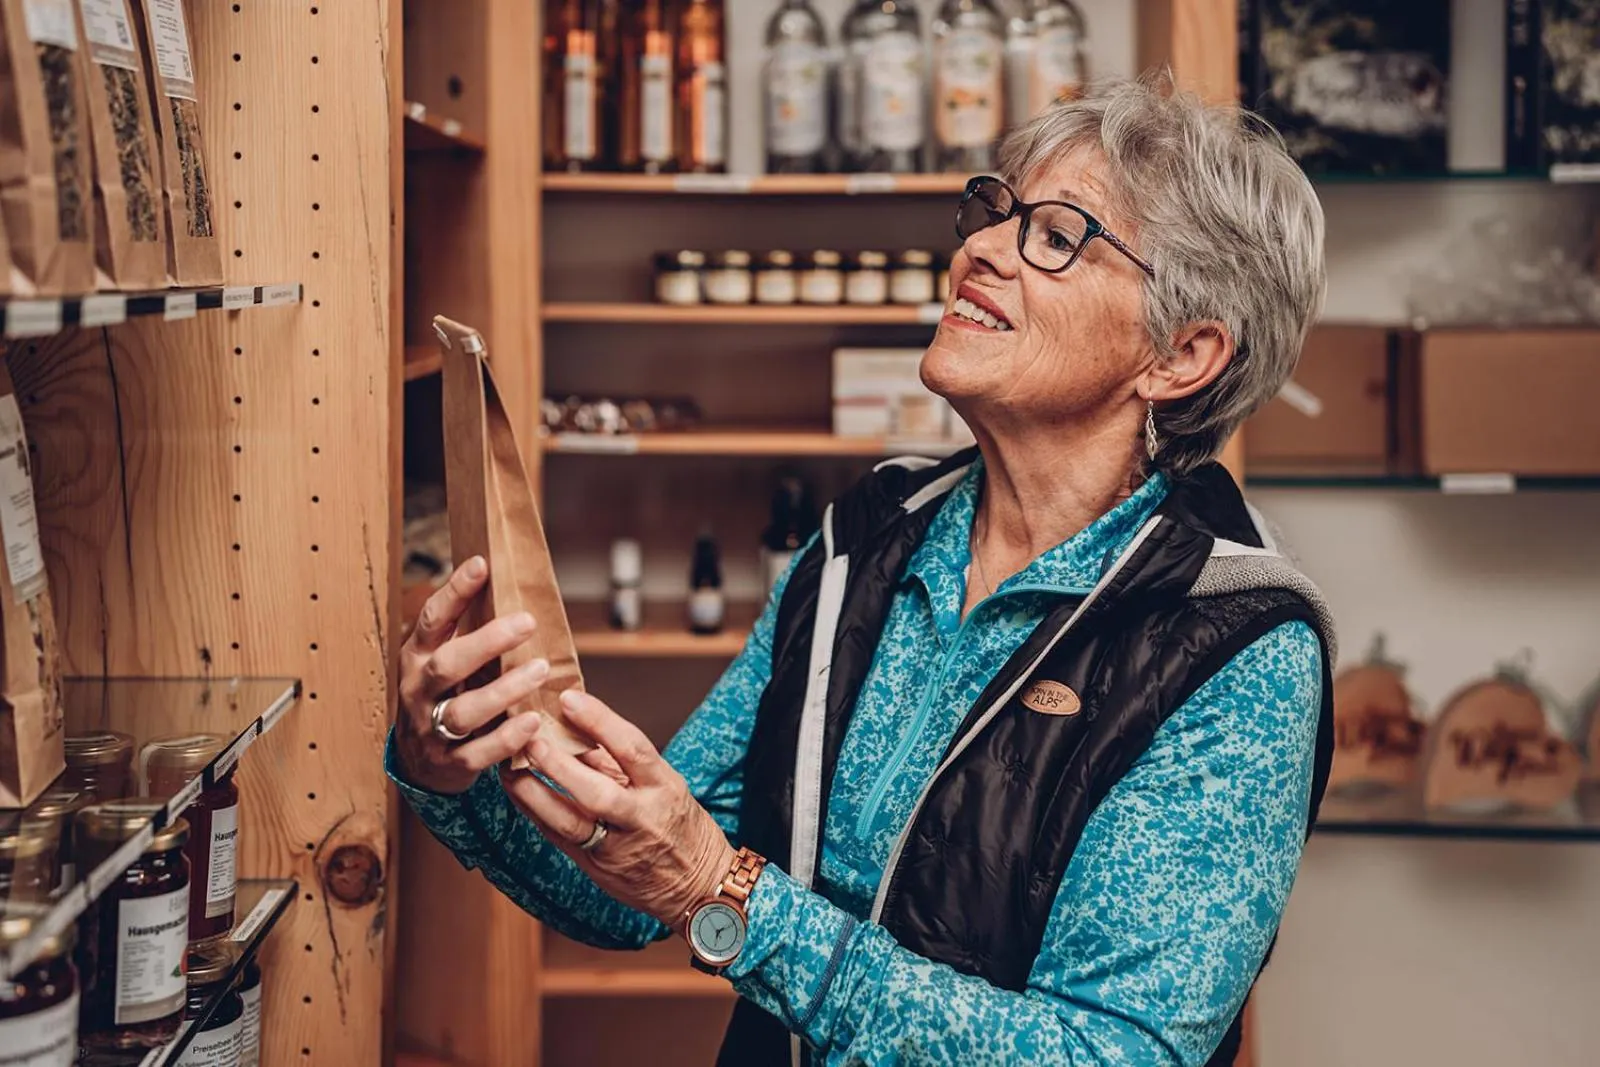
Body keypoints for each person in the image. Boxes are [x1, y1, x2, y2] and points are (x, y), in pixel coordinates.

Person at [390, 76, 1333, 1067]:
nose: (980, 247)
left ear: (1179, 356)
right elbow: (632, 879)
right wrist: (454, 769)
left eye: (1056, 236)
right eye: (996, 211)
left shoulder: (1235, 643)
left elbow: (1103, 1053)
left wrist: (725, 894)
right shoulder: (869, 536)